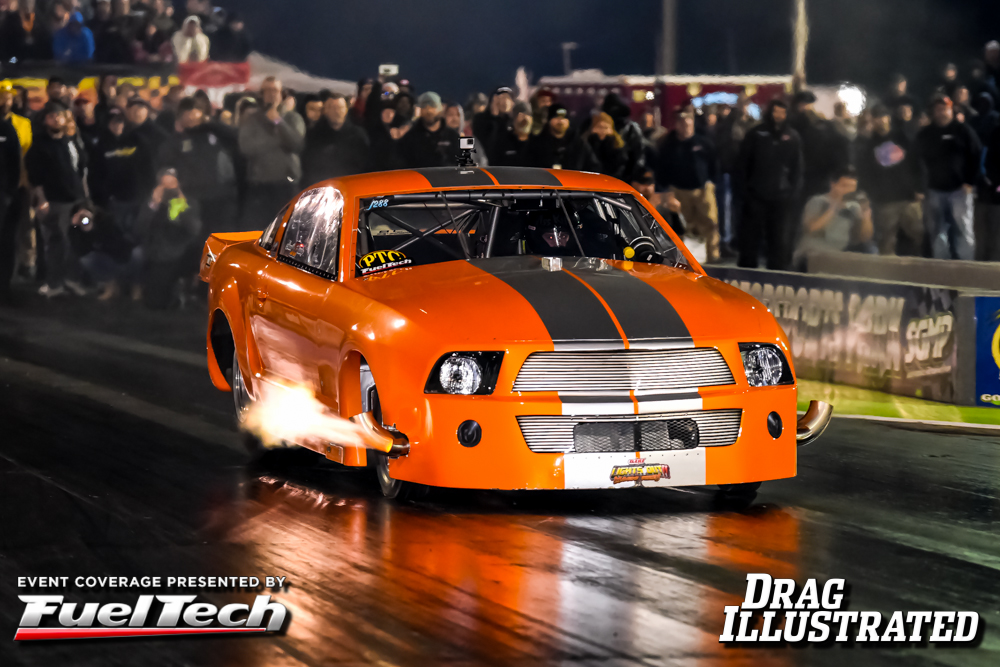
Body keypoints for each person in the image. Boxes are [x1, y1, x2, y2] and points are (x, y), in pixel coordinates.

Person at [26, 102, 88, 297]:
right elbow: (35, 177)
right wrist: (41, 200)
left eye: (59, 116)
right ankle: (54, 283)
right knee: (55, 243)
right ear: (45, 120)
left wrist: (85, 199)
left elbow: (81, 170)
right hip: (53, 201)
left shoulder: (71, 142)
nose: (56, 119)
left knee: (76, 242)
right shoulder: (39, 145)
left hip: (75, 201)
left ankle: (72, 280)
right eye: (51, 116)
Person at [736, 99, 803, 270]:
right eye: (775, 111)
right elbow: (743, 164)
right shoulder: (756, 134)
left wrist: (793, 192)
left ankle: (777, 272)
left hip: (781, 197)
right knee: (750, 238)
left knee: (779, 238)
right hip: (756, 195)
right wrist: (745, 191)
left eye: (782, 112)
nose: (778, 116)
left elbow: (797, 167)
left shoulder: (792, 137)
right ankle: (746, 272)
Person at [158, 98, 239, 234]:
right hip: (191, 197)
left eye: (195, 113)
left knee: (220, 234)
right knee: (196, 235)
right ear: (180, 116)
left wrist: (211, 124)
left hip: (219, 195)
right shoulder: (175, 140)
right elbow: (165, 162)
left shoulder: (213, 133)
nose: (191, 118)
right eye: (187, 114)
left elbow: (235, 138)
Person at [915, 95, 982, 260]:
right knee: (937, 232)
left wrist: (970, 181)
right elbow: (915, 161)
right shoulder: (925, 134)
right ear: (933, 112)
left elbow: (976, 154)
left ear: (951, 110)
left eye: (945, 109)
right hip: (934, 191)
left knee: (963, 230)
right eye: (938, 109)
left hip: (960, 190)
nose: (942, 112)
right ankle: (942, 269)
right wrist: (919, 187)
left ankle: (966, 268)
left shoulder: (963, 130)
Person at [238, 77, 305, 230]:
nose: (271, 94)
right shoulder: (252, 119)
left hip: (286, 185)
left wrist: (278, 121)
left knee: (286, 231)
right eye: (267, 90)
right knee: (257, 231)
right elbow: (246, 148)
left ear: (281, 94)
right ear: (261, 94)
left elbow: (297, 144)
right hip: (260, 186)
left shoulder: (292, 118)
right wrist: (277, 141)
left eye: (275, 90)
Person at [856, 105, 924, 256]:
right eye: (876, 117)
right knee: (886, 242)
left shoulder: (903, 138)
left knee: (920, 236)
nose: (880, 120)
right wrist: (871, 195)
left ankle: (922, 267)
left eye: (883, 116)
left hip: (908, 199)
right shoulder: (868, 146)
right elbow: (865, 173)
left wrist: (919, 188)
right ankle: (888, 270)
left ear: (888, 118)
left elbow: (918, 163)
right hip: (884, 202)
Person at [656, 110, 721, 262]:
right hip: (678, 190)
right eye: (682, 124)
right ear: (677, 125)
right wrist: (664, 189)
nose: (686, 127)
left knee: (710, 223)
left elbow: (714, 162)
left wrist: (712, 181)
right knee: (681, 226)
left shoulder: (703, 143)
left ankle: (713, 255)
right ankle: (683, 258)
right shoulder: (669, 145)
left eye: (688, 124)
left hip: (702, 189)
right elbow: (662, 168)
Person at [134, 168, 201, 308]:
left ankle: (186, 285)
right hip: (162, 256)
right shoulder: (152, 204)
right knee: (155, 303)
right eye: (165, 185)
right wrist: (153, 204)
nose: (169, 189)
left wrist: (182, 206)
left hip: (184, 252)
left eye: (172, 184)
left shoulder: (189, 202)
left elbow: (194, 230)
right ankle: (175, 291)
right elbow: (139, 229)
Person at [88, 107, 154, 236]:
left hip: (138, 197)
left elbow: (148, 168)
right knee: (117, 233)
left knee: (140, 231)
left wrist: (148, 191)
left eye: (120, 121)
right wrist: (102, 198)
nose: (117, 125)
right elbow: (95, 174)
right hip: (114, 201)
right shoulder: (100, 145)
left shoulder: (138, 141)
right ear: (107, 124)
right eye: (113, 122)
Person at [793, 167, 875, 269]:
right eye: (844, 186)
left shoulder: (854, 208)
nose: (849, 190)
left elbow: (865, 237)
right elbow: (811, 229)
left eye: (852, 187)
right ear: (833, 184)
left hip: (838, 255)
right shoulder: (818, 201)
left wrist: (866, 216)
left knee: (870, 249)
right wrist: (834, 208)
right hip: (812, 253)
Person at [0, 80, 31, 301]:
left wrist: (9, 192)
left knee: (6, 242)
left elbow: (15, 162)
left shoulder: (7, 127)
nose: (4, 101)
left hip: (5, 195)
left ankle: (3, 287)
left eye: (7, 97)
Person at [68, 201, 136, 300]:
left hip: (120, 258)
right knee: (86, 259)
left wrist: (94, 227)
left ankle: (128, 285)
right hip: (102, 260)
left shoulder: (105, 221)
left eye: (86, 214)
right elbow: (79, 251)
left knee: (137, 255)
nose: (84, 218)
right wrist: (74, 226)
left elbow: (114, 244)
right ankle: (110, 284)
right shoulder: (77, 228)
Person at [302, 93, 369, 184]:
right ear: (325, 110)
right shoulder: (315, 135)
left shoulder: (357, 135)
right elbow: (308, 163)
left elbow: (365, 164)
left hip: (350, 185)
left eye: (340, 107)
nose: (336, 111)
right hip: (322, 185)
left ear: (346, 110)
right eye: (332, 108)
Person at [526, 103, 600, 172]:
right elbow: (527, 167)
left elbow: (594, 167)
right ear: (549, 120)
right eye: (556, 117)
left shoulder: (579, 143)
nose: (560, 121)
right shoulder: (537, 143)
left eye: (564, 118)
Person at [397, 92, 460, 168]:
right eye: (424, 106)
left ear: (441, 108)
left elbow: (463, 165)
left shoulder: (453, 137)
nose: (429, 110)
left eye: (433, 106)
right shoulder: (410, 138)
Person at [630, 169, 685, 237]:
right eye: (643, 181)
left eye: (651, 182)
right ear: (634, 183)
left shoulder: (663, 209)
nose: (647, 186)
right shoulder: (626, 205)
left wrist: (675, 214)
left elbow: (679, 233)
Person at [472, 86, 514, 164]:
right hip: (488, 166)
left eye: (508, 98)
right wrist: (494, 116)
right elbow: (489, 145)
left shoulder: (512, 121)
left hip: (509, 166)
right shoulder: (480, 119)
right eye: (502, 97)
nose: (506, 101)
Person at [490, 101, 532, 167]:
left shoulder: (537, 142)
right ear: (513, 119)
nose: (524, 119)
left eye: (528, 115)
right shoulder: (503, 140)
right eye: (520, 116)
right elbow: (494, 162)